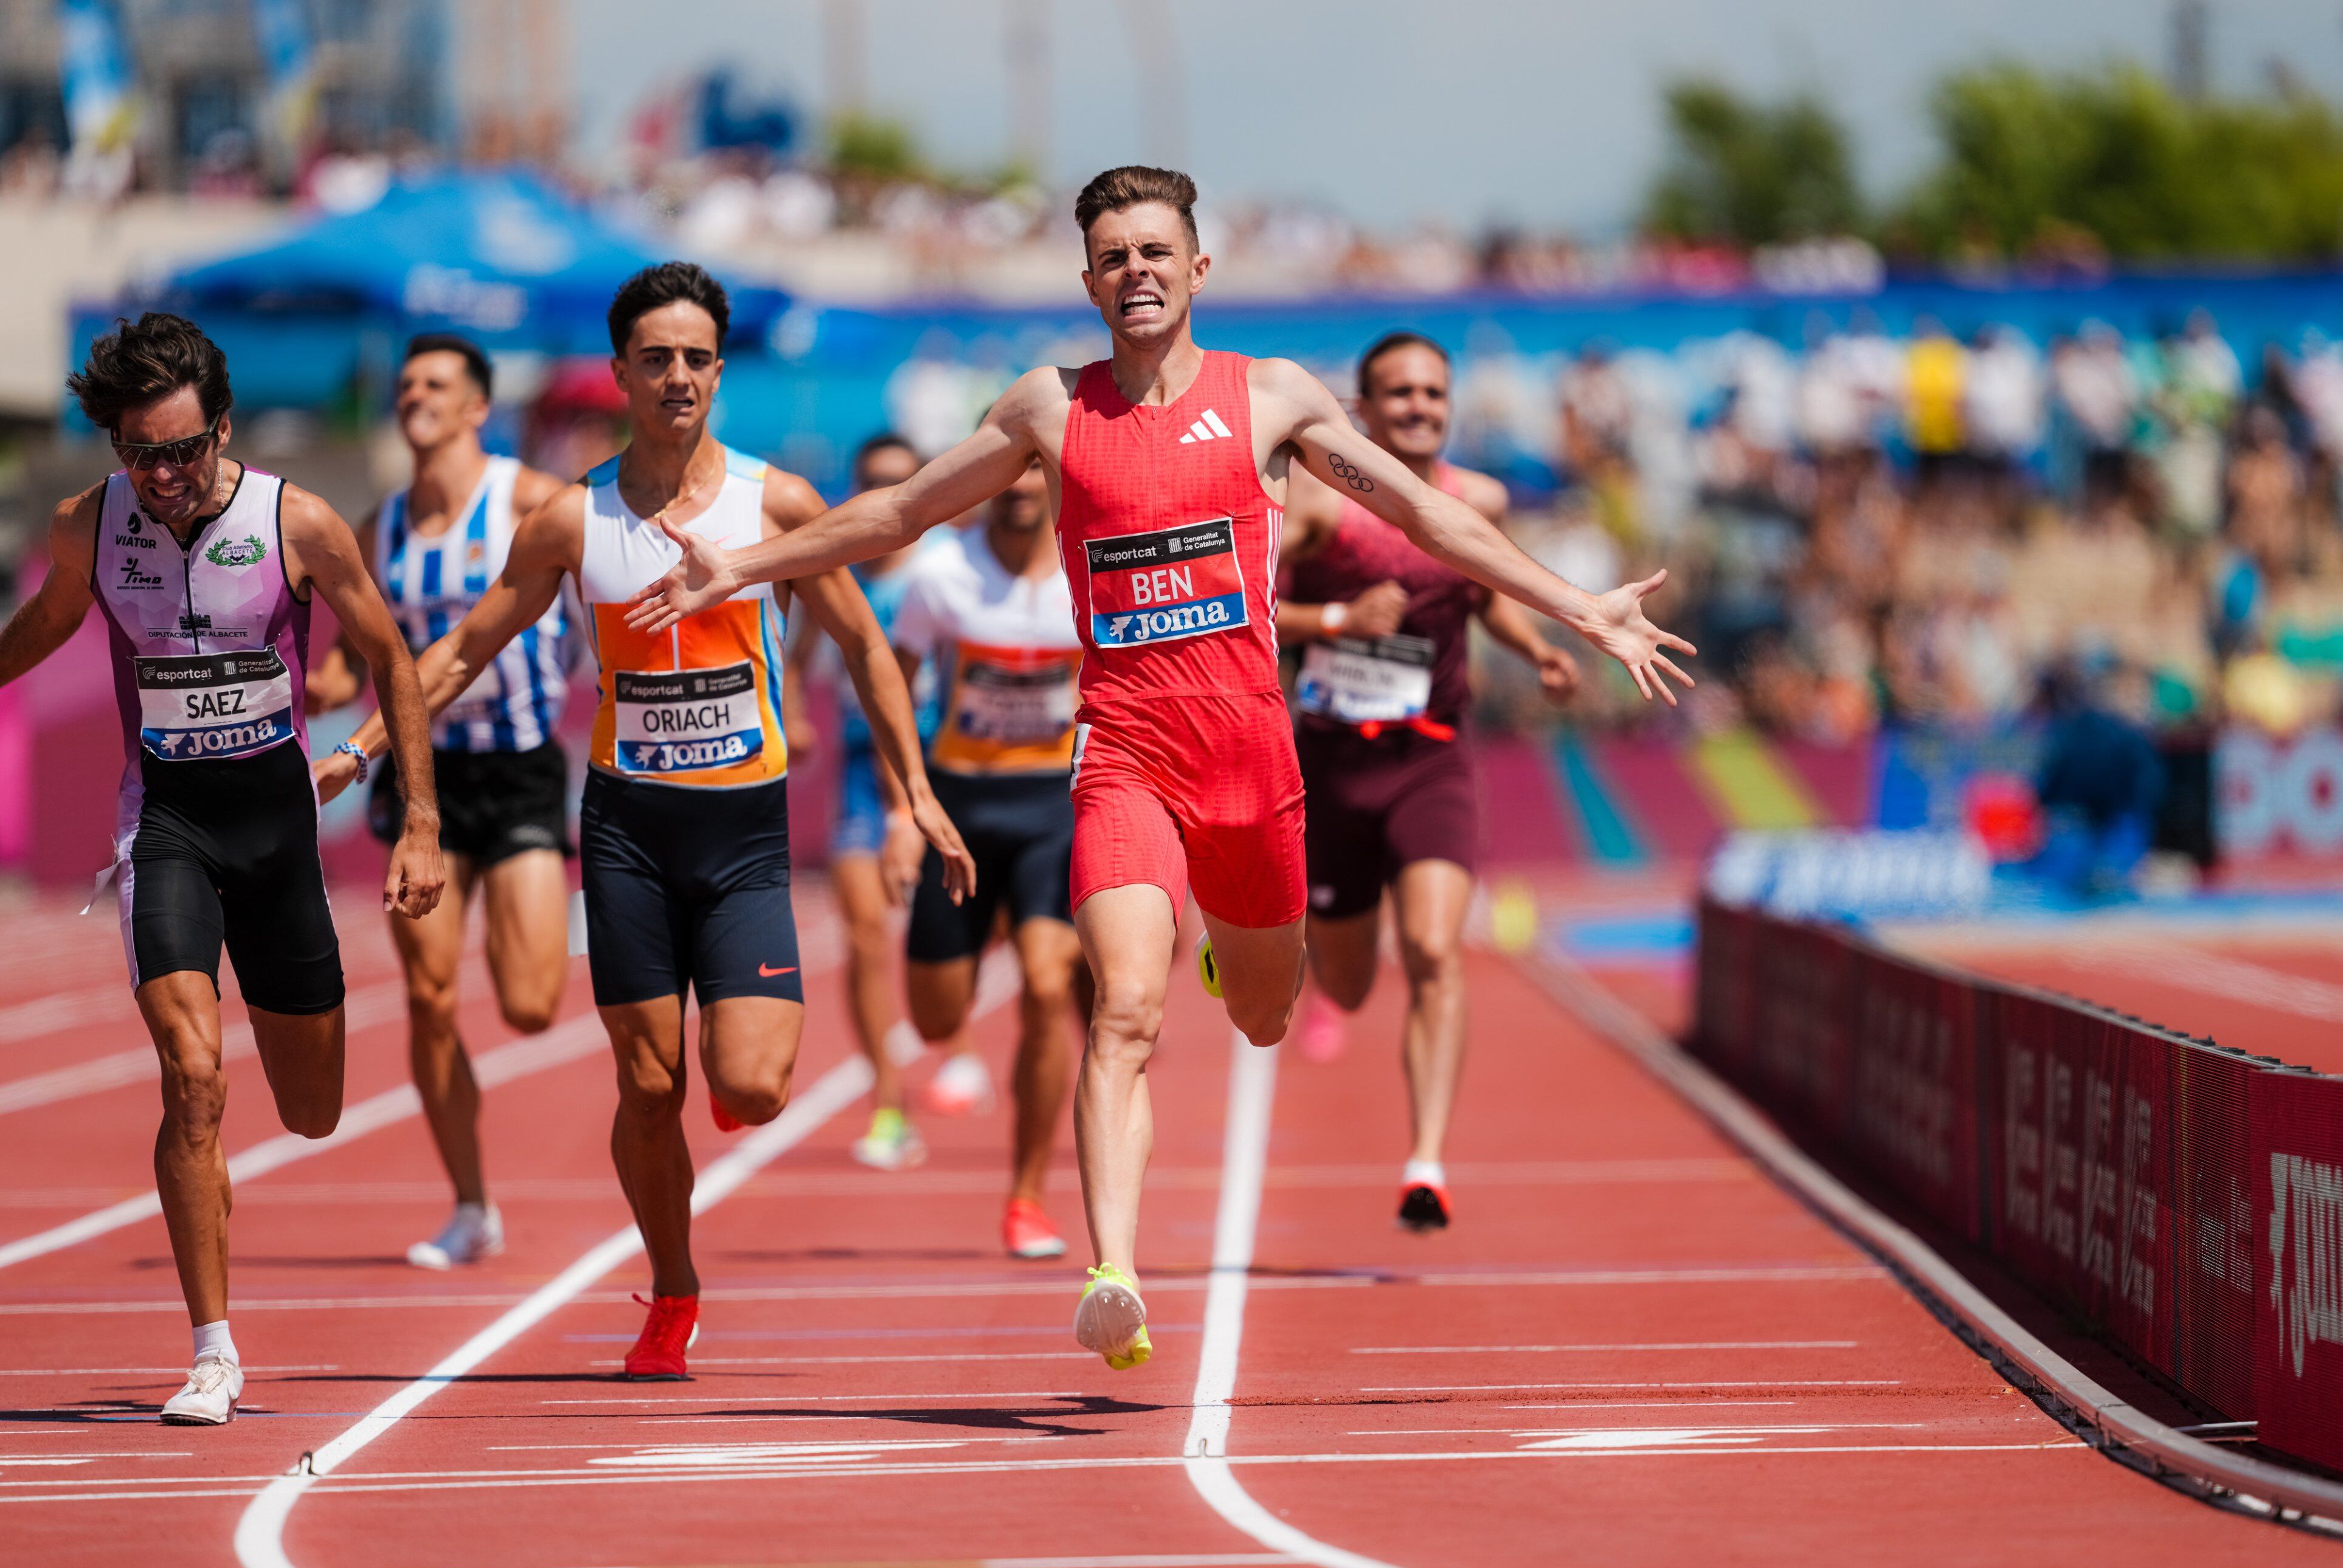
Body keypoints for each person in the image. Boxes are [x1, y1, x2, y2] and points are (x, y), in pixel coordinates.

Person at [623, 167, 1695, 1372]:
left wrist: (1580, 610)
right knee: (1122, 1012)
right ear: (1087, 283)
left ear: (1195, 271)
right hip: (1122, 759)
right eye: (1112, 257)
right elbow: (903, 513)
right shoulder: (1047, 408)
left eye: (1153, 253)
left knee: (1259, 1010)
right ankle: (1113, 1273)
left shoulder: (1268, 401)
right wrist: (742, 567)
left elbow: (1426, 514)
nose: (1134, 272)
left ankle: (1226, 946)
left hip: (1251, 767)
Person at [318, 263, 969, 1380]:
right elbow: (468, 647)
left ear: (721, 371)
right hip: (626, 830)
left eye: (698, 358)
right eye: (656, 358)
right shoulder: (574, 517)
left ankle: (721, 1069)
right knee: (649, 1085)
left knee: (752, 1087)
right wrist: (365, 746)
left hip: (742, 833)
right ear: (620, 372)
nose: (679, 376)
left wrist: (916, 792)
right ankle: (672, 1287)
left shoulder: (775, 505)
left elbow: (865, 646)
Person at [0, 313, 443, 1423]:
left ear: (222, 431)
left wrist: (418, 820)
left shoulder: (300, 521)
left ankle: (216, 1189)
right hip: (169, 826)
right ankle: (212, 1350)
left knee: (311, 1111)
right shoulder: (88, 528)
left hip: (279, 835)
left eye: (185, 451)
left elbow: (390, 658)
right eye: (143, 455)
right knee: (192, 1078)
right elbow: (49, 622)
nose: (167, 476)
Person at [1278, 332, 1578, 1232]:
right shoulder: (1320, 506)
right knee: (1352, 980)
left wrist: (1536, 649)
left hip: (1432, 759)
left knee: (1437, 952)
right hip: (1334, 764)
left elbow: (1482, 591)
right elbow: (1248, 602)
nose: (1418, 407)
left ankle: (1427, 1160)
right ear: (1362, 410)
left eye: (1433, 393)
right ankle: (1280, 947)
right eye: (1399, 393)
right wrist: (1336, 616)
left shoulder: (1476, 498)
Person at [304, 334, 574, 1269]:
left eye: (436, 385)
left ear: (475, 409)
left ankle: (476, 1189)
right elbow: (352, 657)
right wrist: (307, 685)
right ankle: (470, 1204)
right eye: (408, 383)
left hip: (522, 766)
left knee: (534, 1003)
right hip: (423, 778)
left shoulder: (533, 500)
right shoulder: (377, 528)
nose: (415, 394)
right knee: (428, 993)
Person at [891, 461, 1090, 1259]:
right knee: (937, 1017)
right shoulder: (940, 574)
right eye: (1004, 475)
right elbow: (890, 686)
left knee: (1046, 988)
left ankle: (1028, 1196)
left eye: (1034, 474)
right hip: (962, 809)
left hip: (1055, 806)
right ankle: (995, 934)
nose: (1018, 490)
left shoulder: (1089, 564)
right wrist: (907, 809)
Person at [781, 432, 989, 1172]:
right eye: (874, 480)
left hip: (951, 763)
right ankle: (889, 1106)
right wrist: (798, 717)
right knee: (866, 937)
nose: (888, 491)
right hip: (865, 772)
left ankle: (957, 1042)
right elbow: (799, 660)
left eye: (902, 481)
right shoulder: (834, 571)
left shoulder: (943, 568)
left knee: (958, 925)